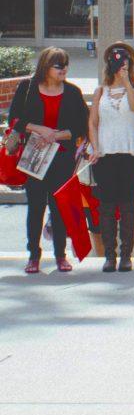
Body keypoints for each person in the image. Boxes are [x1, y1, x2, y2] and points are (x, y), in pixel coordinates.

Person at [7, 47, 88, 274]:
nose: (64, 69)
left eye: (66, 64)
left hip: (61, 157)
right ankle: (33, 256)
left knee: (59, 207)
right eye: (58, 65)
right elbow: (14, 119)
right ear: (46, 67)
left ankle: (61, 255)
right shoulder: (28, 88)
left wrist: (56, 135)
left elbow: (81, 126)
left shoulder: (72, 92)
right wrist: (40, 129)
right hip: (34, 155)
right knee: (35, 207)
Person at [87, 42, 134, 272]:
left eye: (125, 61)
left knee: (128, 203)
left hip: (130, 153)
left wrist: (126, 83)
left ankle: (126, 256)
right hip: (105, 153)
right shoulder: (100, 91)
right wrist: (95, 147)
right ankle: (109, 256)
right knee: (107, 205)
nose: (121, 65)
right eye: (117, 61)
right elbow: (92, 122)